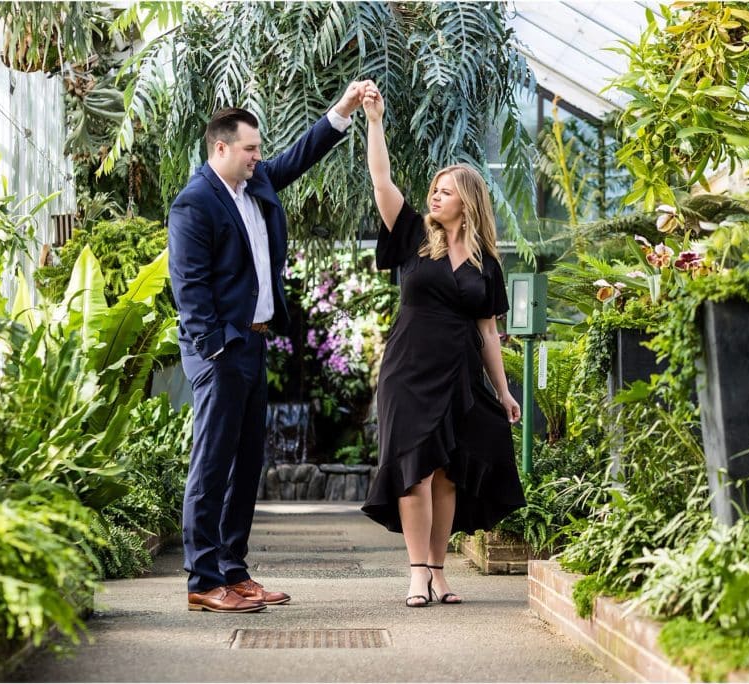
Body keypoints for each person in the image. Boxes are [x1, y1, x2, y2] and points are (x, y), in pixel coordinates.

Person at [168, 82, 366, 613]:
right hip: (221, 352)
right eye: (250, 148)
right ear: (221, 148)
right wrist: (214, 350)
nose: (259, 156)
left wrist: (342, 110)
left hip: (254, 344)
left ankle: (233, 571)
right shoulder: (194, 203)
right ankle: (202, 580)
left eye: (259, 148)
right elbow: (189, 288)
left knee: (247, 463)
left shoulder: (255, 184)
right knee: (212, 465)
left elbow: (301, 154)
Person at [358, 83, 527, 607]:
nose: (435, 195)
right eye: (434, 188)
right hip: (408, 371)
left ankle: (439, 572)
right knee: (414, 472)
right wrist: (375, 122)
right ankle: (416, 575)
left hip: (459, 374)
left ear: (467, 203)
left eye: (446, 191)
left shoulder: (486, 264)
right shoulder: (412, 234)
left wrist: (503, 391)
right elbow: (381, 179)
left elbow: (488, 333)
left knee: (447, 476)